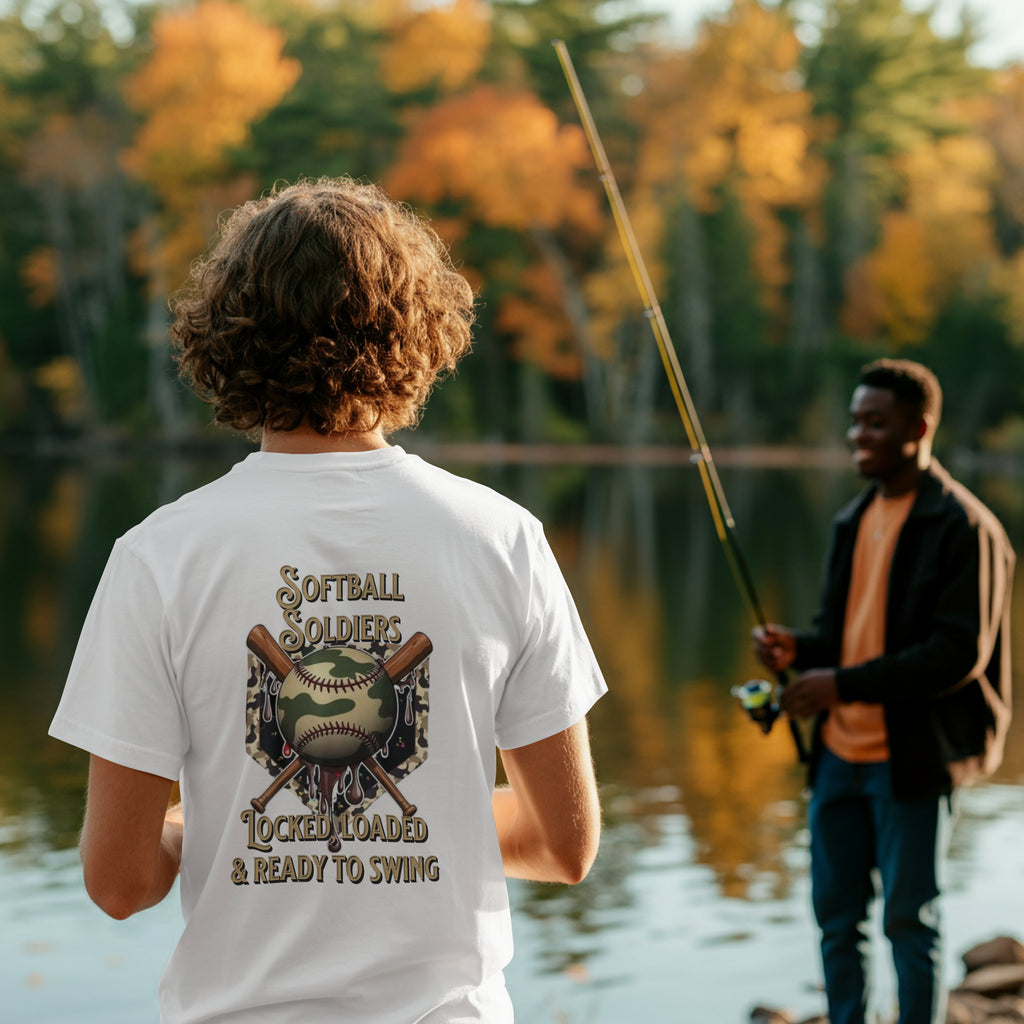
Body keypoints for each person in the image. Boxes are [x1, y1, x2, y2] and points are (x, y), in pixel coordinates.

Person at [49, 177, 605, 1024]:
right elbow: (564, 846)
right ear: (417, 331)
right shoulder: (504, 538)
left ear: (227, 337)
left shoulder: (158, 556)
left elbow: (120, 883)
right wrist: (422, 815)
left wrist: (214, 823)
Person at [753, 358, 1014, 1024]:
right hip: (840, 758)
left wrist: (837, 684)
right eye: (854, 421)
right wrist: (799, 649)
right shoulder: (853, 519)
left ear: (918, 428)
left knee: (909, 919)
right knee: (838, 921)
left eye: (875, 422)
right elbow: (849, 636)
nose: (857, 434)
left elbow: (955, 654)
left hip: (915, 759)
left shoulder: (966, 527)